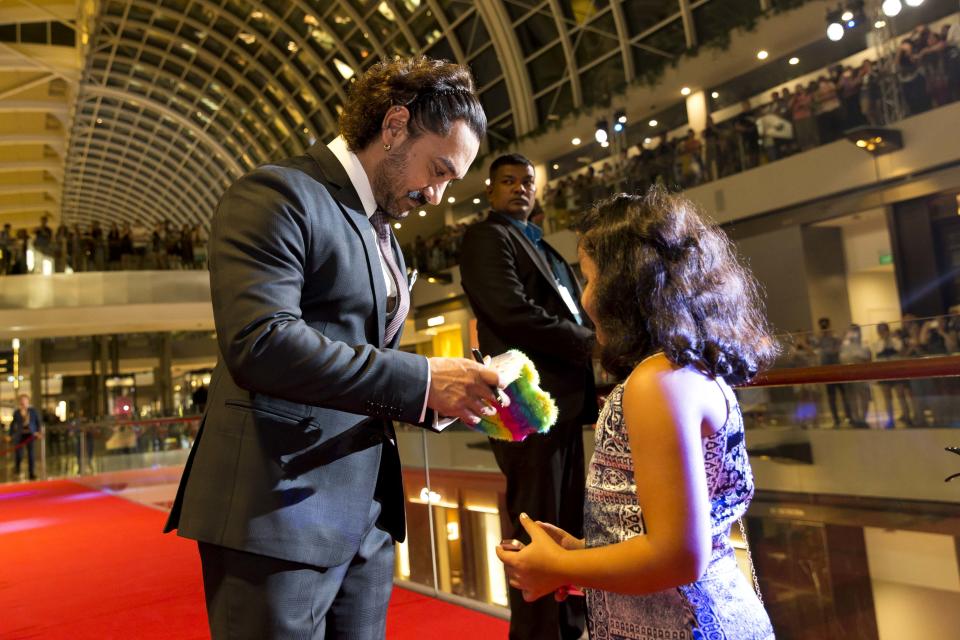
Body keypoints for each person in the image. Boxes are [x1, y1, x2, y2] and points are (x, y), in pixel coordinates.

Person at [164, 56, 503, 639]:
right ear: (395, 126)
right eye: (439, 170)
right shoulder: (277, 193)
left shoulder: (386, 236)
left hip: (363, 523)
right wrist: (420, 380)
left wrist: (445, 396)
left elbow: (360, 366)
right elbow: (260, 342)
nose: (439, 195)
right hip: (276, 515)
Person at [497, 188, 777, 639]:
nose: (585, 299)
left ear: (622, 286)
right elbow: (675, 533)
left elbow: (677, 557)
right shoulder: (688, 371)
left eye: (588, 279)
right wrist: (587, 555)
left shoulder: (655, 383)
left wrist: (559, 565)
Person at [459, 154, 597, 640]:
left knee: (564, 523)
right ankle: (537, 633)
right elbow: (509, 311)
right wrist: (586, 342)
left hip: (566, 402)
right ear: (490, 191)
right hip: (525, 402)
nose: (520, 189)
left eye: (528, 182)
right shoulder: (486, 237)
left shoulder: (544, 247)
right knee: (534, 522)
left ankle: (568, 625)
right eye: (508, 181)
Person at [10, 393, 42, 480]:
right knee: (19, 454)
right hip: (20, 435)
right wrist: (10, 435)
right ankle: (17, 469)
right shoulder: (17, 412)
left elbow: (38, 422)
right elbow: (12, 425)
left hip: (30, 435)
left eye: (25, 400)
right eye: (22, 400)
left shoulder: (33, 411)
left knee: (31, 454)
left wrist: (39, 432)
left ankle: (31, 473)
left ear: (28, 401)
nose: (23, 402)